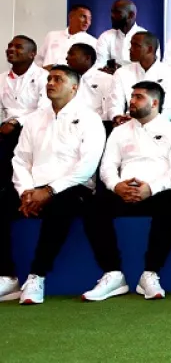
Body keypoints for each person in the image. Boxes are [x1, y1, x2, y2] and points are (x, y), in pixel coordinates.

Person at [82, 81, 171, 301]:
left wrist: (151, 188)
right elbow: (107, 167)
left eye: (138, 97)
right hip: (123, 191)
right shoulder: (119, 132)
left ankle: (150, 273)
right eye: (132, 96)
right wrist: (117, 186)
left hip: (157, 192)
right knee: (93, 205)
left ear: (155, 102)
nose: (132, 101)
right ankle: (113, 273)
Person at [10, 66, 106, 304]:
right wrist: (26, 193)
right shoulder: (34, 120)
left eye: (58, 79)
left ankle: (36, 276)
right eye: (49, 79)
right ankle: (6, 276)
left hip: (73, 188)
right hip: (34, 188)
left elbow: (87, 165)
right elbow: (21, 159)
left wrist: (50, 191)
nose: (50, 83)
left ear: (74, 87)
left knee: (59, 206)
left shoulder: (89, 118)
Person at [0, 36, 49, 185]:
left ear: (32, 54)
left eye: (18, 46)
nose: (11, 49)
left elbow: (44, 110)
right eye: (10, 46)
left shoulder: (44, 77)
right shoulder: (2, 78)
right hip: (5, 130)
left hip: (32, 130)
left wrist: (16, 122)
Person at [108, 32, 171, 125]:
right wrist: (117, 117)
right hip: (128, 124)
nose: (130, 49)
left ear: (149, 49)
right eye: (131, 45)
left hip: (161, 127)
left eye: (136, 46)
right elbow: (115, 103)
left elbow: (168, 110)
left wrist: (148, 125)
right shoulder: (121, 72)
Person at [95, 0, 158, 72]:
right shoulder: (105, 36)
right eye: (112, 12)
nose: (112, 16)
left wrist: (121, 70)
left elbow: (151, 68)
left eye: (117, 12)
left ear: (131, 15)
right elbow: (100, 66)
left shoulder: (147, 38)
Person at [35, 4, 97, 69]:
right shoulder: (52, 35)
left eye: (89, 19)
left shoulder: (92, 42)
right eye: (83, 17)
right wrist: (42, 71)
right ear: (71, 16)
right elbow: (39, 59)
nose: (87, 22)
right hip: (46, 76)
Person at [66, 43, 114, 122]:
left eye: (71, 54)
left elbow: (109, 113)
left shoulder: (106, 79)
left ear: (87, 58)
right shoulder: (68, 80)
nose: (67, 58)